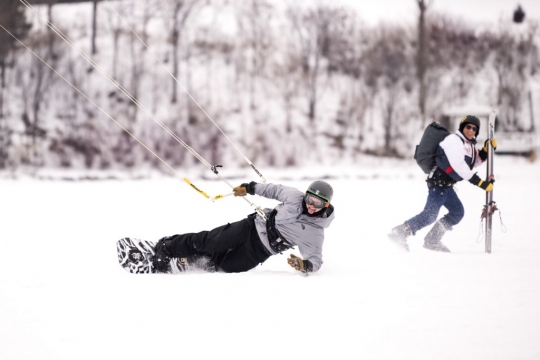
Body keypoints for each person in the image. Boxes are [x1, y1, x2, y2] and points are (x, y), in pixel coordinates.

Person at [152, 180, 335, 273]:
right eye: (310, 199)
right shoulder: (294, 196)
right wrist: (249, 188)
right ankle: (167, 247)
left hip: (261, 250)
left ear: (325, 205)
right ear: (305, 195)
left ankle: (199, 260)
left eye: (317, 204)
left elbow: (316, 259)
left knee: (229, 267)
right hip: (252, 226)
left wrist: (305, 265)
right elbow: (272, 190)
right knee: (211, 241)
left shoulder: (315, 233)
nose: (311, 205)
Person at [388, 115, 497, 252]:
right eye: (468, 127)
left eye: (474, 129)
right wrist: (480, 183)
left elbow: (475, 162)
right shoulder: (453, 140)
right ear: (462, 127)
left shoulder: (469, 146)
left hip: (447, 186)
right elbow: (458, 164)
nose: (471, 130)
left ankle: (432, 240)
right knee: (430, 215)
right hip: (438, 182)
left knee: (457, 212)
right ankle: (400, 232)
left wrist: (486, 151)